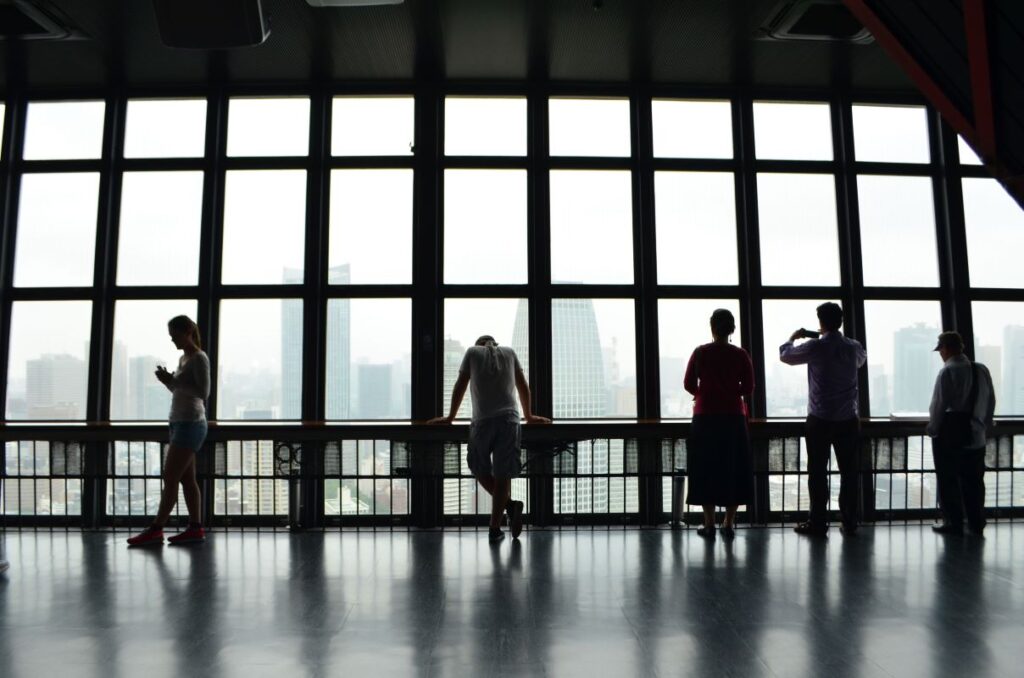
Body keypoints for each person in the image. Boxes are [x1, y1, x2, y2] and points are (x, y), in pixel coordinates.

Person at [429, 335, 550, 543]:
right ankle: (495, 527)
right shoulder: (509, 353)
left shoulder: (472, 352)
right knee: (503, 475)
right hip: (510, 420)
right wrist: (529, 416)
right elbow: (523, 385)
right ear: (494, 343)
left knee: (478, 467)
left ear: (479, 344)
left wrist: (450, 417)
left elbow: (460, 385)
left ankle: (510, 507)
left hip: (482, 421)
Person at [780, 302, 866, 536]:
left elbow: (785, 356)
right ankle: (849, 521)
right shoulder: (854, 347)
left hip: (820, 418)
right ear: (840, 321)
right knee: (849, 471)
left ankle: (818, 522)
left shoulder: (815, 347)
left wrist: (793, 337)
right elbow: (860, 361)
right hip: (848, 419)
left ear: (820, 322)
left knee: (817, 472)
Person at [127, 315, 211, 547]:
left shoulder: (198, 358)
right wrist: (168, 381)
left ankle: (156, 529)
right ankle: (195, 527)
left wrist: (172, 380)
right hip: (179, 423)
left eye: (175, 335)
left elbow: (203, 392)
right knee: (186, 479)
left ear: (187, 333)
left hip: (191, 424)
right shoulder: (183, 358)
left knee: (170, 477)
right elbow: (180, 390)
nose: (172, 340)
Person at [683, 309, 754, 539]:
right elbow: (749, 387)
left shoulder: (700, 353)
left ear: (712, 327)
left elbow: (688, 383)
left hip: (705, 417)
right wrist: (732, 392)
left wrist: (702, 393)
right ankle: (729, 523)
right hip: (734, 417)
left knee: (705, 467)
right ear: (732, 329)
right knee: (733, 467)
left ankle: (709, 523)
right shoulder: (741, 354)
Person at [926, 331, 995, 536]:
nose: (941, 355)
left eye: (941, 350)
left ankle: (953, 523)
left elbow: (939, 405)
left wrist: (933, 428)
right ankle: (976, 521)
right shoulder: (981, 369)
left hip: (950, 435)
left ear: (945, 349)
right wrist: (985, 425)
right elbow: (991, 400)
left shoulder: (947, 372)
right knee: (974, 481)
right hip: (977, 435)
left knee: (949, 480)